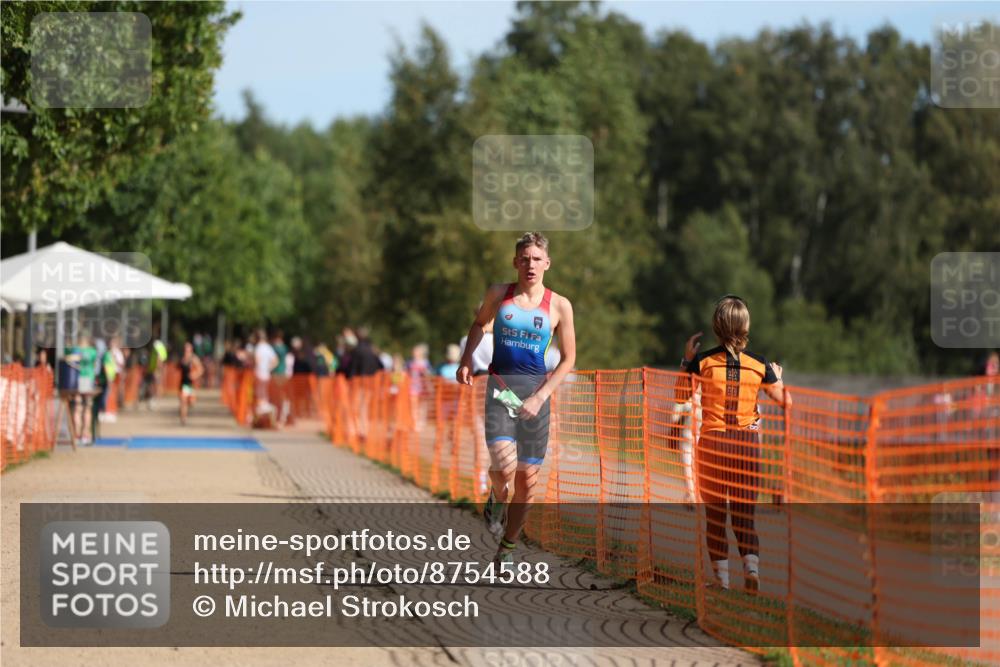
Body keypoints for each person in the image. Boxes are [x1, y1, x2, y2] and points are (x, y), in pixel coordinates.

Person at [457, 232, 576, 567]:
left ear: (547, 263)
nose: (530, 265)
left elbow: (568, 359)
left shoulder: (559, 306)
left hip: (536, 398)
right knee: (504, 469)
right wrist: (466, 359)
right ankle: (497, 495)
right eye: (524, 259)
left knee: (527, 481)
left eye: (537, 259)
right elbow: (479, 324)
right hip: (501, 390)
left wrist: (541, 397)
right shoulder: (499, 294)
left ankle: (507, 549)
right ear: (515, 262)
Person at [675, 295, 790, 593]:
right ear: (746, 326)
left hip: (713, 444)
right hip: (746, 445)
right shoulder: (759, 364)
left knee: (715, 518)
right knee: (744, 516)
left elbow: (680, 396)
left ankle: (721, 582)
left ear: (716, 326)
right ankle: (751, 569)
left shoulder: (702, 361)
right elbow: (786, 401)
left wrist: (686, 360)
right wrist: (778, 378)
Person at [253, 328, 278, 422]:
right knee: (264, 394)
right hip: (266, 375)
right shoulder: (268, 347)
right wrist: (268, 369)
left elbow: (257, 361)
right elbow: (275, 361)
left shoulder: (258, 347)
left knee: (259, 394)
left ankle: (261, 416)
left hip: (259, 373)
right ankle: (265, 413)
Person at [178, 341, 204, 425]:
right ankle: (183, 418)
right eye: (185, 349)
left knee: (191, 403)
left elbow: (201, 370)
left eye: (188, 349)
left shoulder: (194, 359)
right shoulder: (182, 358)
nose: (186, 351)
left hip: (191, 384)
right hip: (183, 383)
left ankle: (185, 410)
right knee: (183, 401)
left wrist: (194, 375)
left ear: (191, 350)